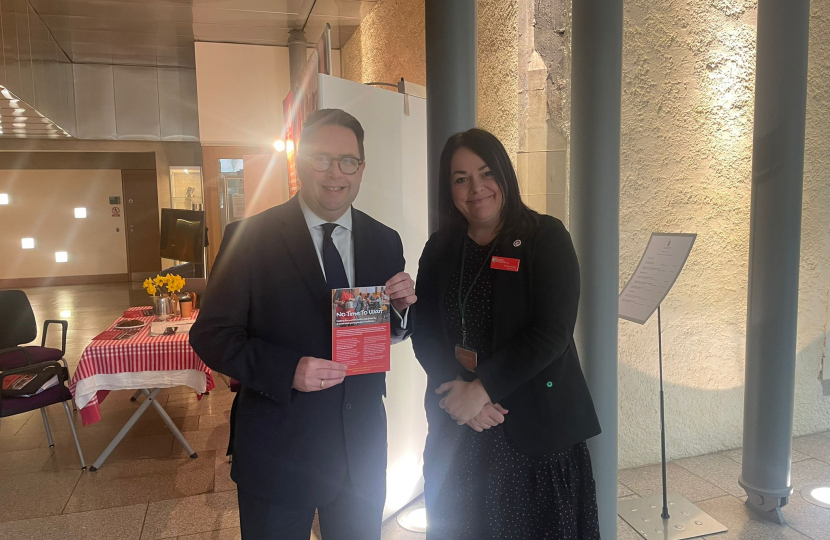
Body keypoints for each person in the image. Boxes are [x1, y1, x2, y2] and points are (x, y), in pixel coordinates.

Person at [190, 109, 417, 540]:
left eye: (348, 161)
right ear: (298, 161)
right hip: (280, 447)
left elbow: (387, 329)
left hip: (359, 450)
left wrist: (403, 311)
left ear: (362, 168)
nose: (335, 173)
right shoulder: (250, 238)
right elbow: (210, 334)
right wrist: (286, 369)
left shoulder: (384, 239)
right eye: (321, 159)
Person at [412, 128, 601, 539]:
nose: (476, 188)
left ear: (504, 174)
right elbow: (423, 328)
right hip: (460, 425)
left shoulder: (544, 237)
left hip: (533, 433)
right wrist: (460, 393)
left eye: (485, 173)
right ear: (449, 189)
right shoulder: (441, 248)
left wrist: (483, 389)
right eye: (461, 178)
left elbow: (552, 333)